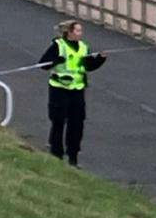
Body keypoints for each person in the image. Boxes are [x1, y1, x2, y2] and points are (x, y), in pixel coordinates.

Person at [39, 20, 107, 167]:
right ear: (69, 32)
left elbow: (89, 66)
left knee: (76, 125)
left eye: (80, 31)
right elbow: (43, 64)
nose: (80, 34)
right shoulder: (58, 45)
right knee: (58, 122)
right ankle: (56, 153)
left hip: (77, 90)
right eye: (77, 31)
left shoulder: (83, 47)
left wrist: (100, 59)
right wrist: (56, 60)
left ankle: (73, 156)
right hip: (59, 89)